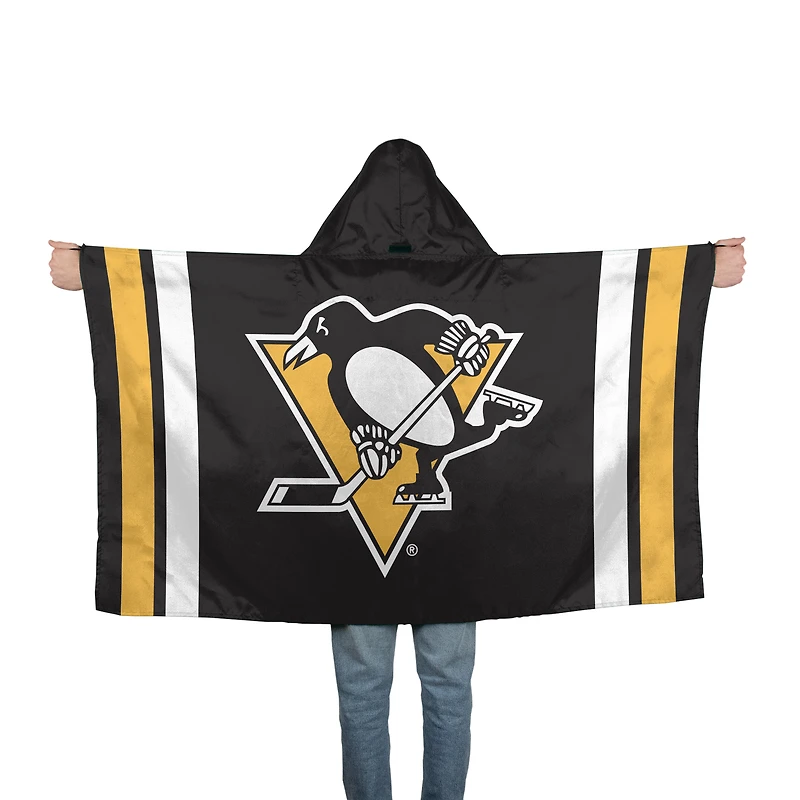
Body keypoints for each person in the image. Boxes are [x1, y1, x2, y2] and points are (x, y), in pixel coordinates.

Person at [49, 236, 746, 800]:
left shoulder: (408, 315)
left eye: (319, 333)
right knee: (427, 687)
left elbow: (470, 334)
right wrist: (374, 446)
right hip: (416, 543)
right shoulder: (432, 300)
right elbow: (533, 299)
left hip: (438, 528)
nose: (311, 343)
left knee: (385, 689)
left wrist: (468, 351)